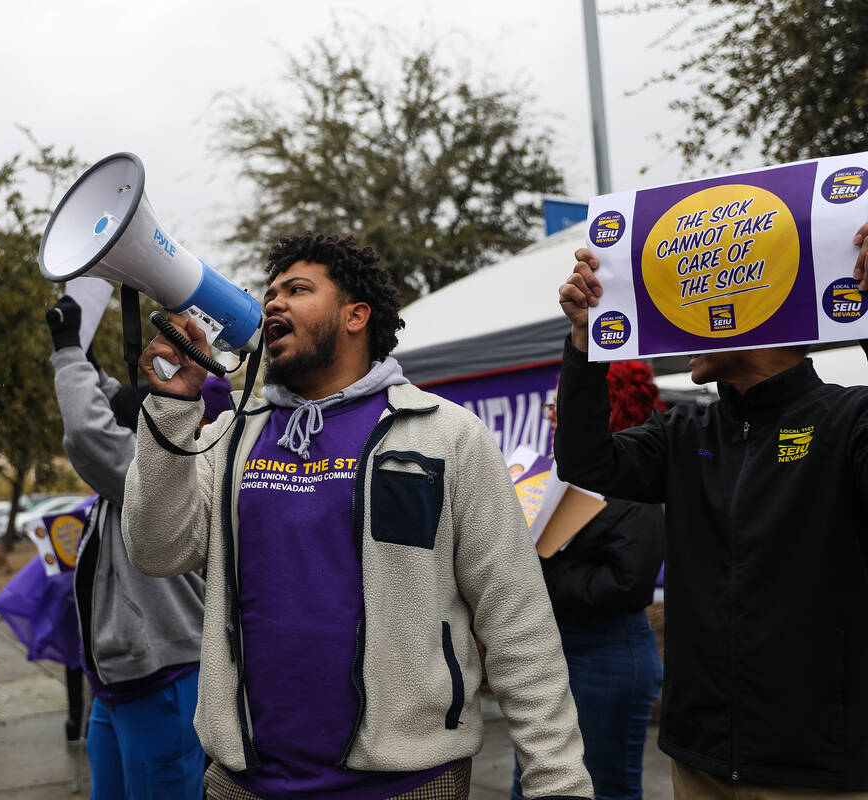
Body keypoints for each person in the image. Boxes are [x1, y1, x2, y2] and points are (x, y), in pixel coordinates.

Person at [123, 233, 592, 800]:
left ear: (356, 315)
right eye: (270, 293)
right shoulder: (231, 437)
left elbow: (517, 619)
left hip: (410, 783)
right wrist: (172, 408)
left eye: (297, 290)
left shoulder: (445, 436)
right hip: (243, 784)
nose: (273, 304)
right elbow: (156, 550)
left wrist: (557, 783)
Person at [554, 220, 868, 796]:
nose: (681, 325)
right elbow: (586, 463)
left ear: (759, 315)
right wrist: (585, 343)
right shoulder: (686, 430)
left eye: (702, 306)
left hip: (819, 767)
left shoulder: (848, 420)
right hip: (697, 758)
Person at [46, 294, 207, 799]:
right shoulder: (129, 464)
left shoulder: (147, 470)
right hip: (118, 682)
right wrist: (89, 353)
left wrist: (69, 350)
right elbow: (115, 404)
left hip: (164, 679)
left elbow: (89, 431)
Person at [512, 361, 666, 800]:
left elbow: (629, 582)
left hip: (608, 654)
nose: (554, 416)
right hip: (554, 647)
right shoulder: (557, 474)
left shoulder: (634, 476)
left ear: (608, 405)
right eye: (553, 407)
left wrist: (540, 570)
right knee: (534, 785)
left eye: (561, 406)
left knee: (600, 787)